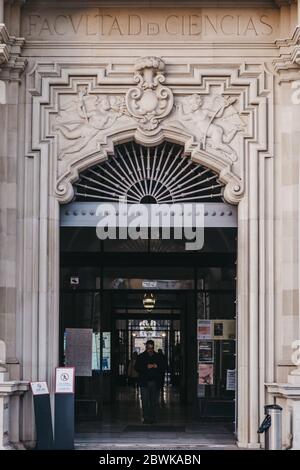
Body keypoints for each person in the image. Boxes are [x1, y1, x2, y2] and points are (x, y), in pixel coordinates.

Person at [134, 340, 163, 424]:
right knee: (145, 401)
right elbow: (136, 367)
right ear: (146, 347)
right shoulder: (141, 357)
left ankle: (153, 417)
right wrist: (146, 366)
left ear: (154, 347)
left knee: (154, 401)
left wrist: (156, 366)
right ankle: (146, 417)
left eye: (151, 347)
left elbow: (163, 367)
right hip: (144, 382)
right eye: (148, 347)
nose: (150, 349)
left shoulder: (158, 357)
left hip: (155, 382)